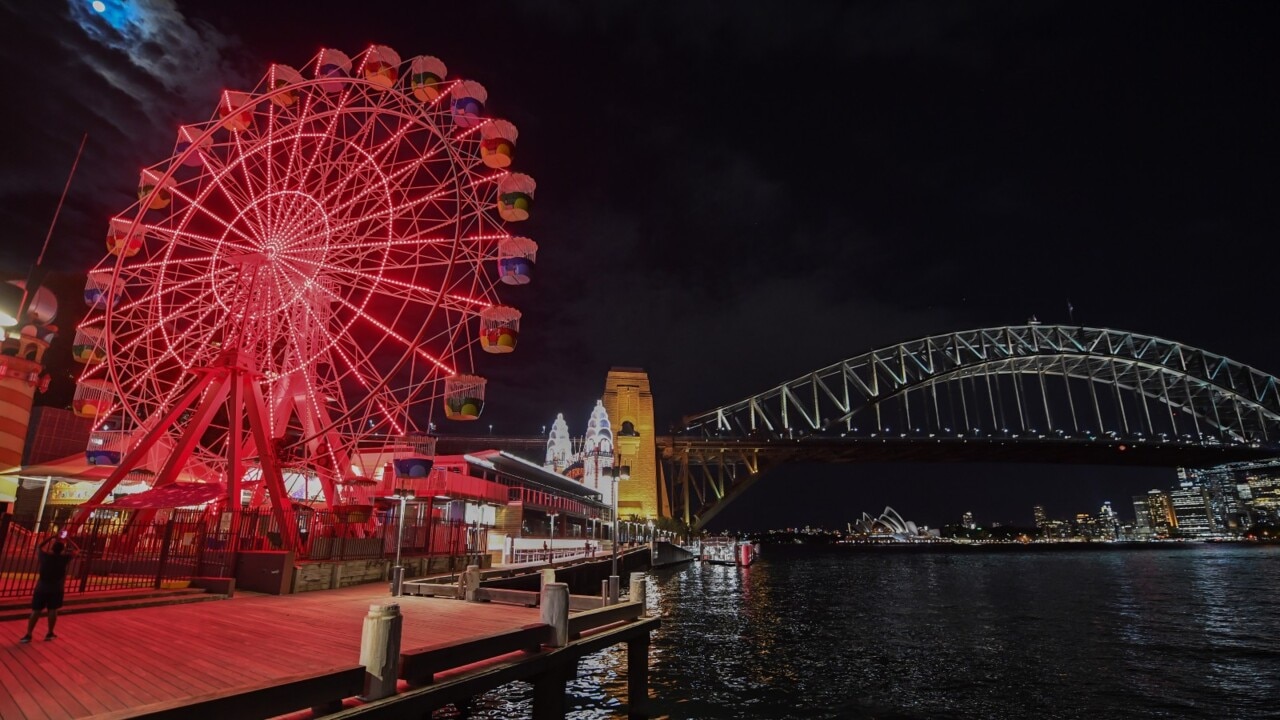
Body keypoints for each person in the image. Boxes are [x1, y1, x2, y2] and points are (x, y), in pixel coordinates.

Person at [20, 533, 78, 643]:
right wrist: (68, 539)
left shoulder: (45, 557)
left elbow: (39, 547)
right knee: (53, 610)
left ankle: (28, 634)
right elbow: (77, 550)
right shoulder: (64, 558)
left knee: (36, 611)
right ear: (62, 550)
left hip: (41, 587)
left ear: (52, 548)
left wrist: (51, 537)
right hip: (56, 589)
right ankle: (50, 632)